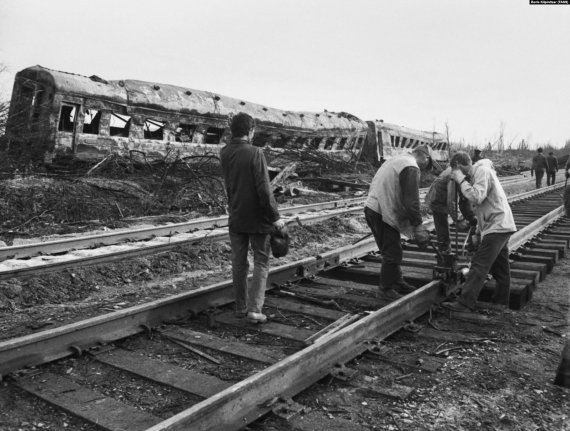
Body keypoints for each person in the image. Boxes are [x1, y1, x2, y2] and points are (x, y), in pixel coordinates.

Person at [220, 112, 285, 323]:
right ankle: (255, 310)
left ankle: (240, 308)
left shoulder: (225, 152)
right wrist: (275, 217)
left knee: (239, 263)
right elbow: (264, 190)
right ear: (250, 131)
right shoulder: (255, 153)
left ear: (233, 131)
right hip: (257, 219)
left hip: (237, 217)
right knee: (261, 262)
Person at [443, 152, 516, 312]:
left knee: (479, 265)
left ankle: (464, 303)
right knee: (501, 270)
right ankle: (501, 304)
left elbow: (477, 197)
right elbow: (481, 209)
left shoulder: (482, 171)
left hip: (497, 226)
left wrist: (460, 180)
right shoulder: (477, 175)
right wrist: (477, 233)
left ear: (457, 166)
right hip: (498, 225)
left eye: (455, 171)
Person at [364, 145, 431, 301]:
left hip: (373, 208)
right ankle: (385, 289)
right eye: (427, 162)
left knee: (391, 248)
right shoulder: (412, 167)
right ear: (424, 157)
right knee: (393, 252)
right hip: (381, 210)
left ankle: (396, 281)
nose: (426, 166)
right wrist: (418, 226)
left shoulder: (398, 159)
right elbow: (412, 201)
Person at [425, 165, 477, 253]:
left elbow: (463, 200)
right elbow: (451, 201)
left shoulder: (462, 173)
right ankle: (444, 251)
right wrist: (459, 220)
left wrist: (470, 217)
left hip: (442, 197)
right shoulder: (453, 175)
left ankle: (471, 247)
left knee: (471, 220)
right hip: (437, 200)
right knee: (442, 228)